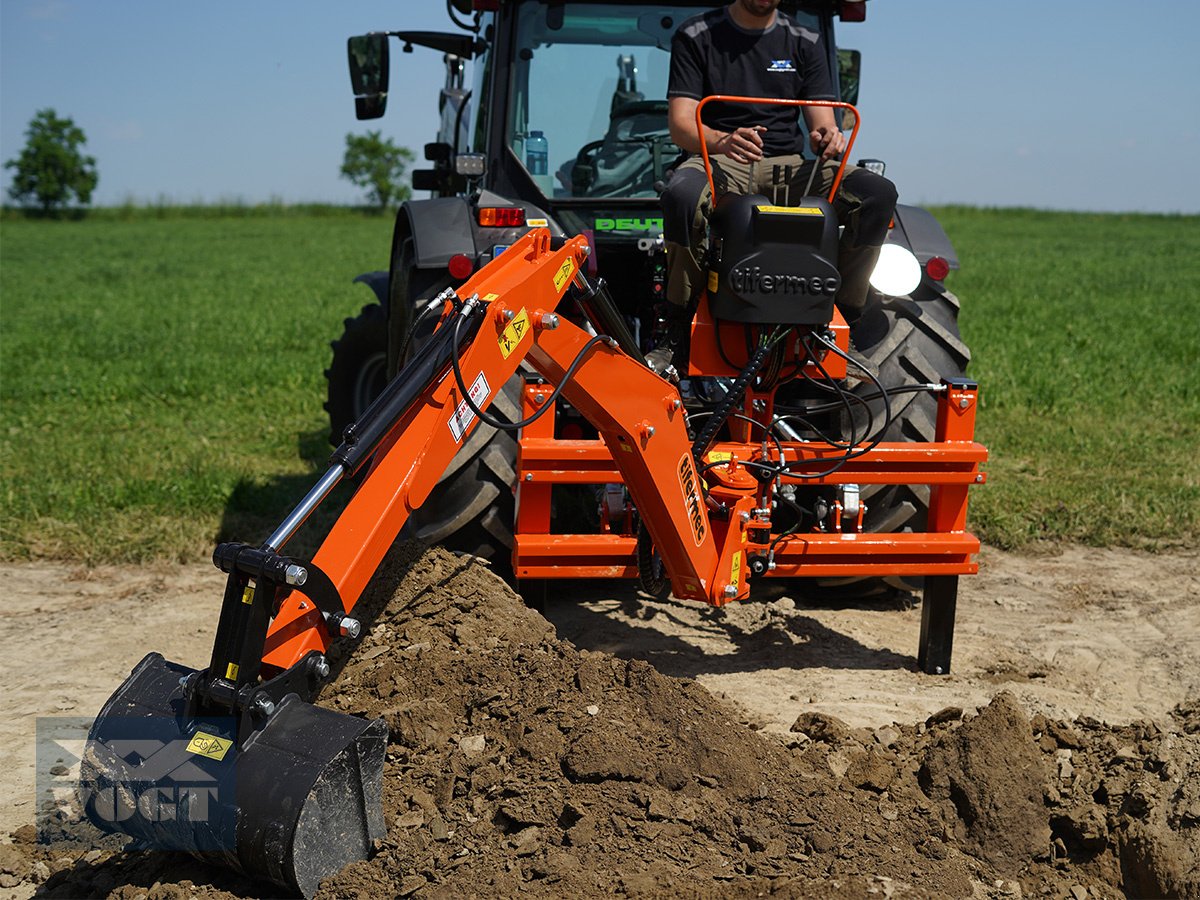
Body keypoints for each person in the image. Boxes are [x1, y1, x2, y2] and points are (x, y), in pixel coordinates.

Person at [651, 0, 898, 372]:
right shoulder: (696, 35)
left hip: (792, 165)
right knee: (682, 194)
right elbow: (681, 124)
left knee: (878, 194)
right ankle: (678, 329)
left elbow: (822, 123)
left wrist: (827, 137)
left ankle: (842, 323)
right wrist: (723, 140)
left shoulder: (804, 40)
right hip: (721, 157)